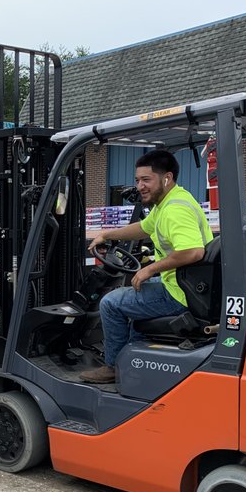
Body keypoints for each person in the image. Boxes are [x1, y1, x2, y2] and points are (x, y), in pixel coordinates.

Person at [80, 149, 212, 384]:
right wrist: (107, 234)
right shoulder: (169, 201)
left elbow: (193, 251)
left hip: (180, 293)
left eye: (146, 180)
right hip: (186, 284)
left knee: (110, 303)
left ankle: (112, 367)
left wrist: (150, 269)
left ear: (166, 178)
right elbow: (143, 227)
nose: (140, 186)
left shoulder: (175, 210)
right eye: (138, 180)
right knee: (132, 295)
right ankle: (132, 361)